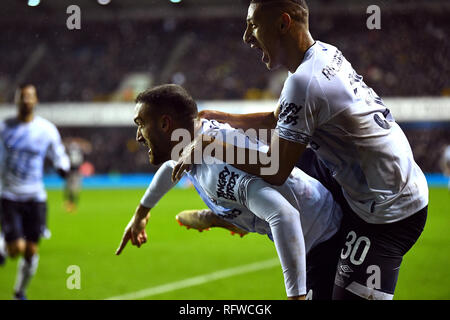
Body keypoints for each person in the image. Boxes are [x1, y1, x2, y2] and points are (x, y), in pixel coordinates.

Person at [172, 0, 429, 300]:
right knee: (290, 153)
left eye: (253, 25)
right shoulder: (322, 54)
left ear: (283, 23)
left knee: (276, 165)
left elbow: (276, 170)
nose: (246, 37)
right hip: (386, 178)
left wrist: (210, 145)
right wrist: (226, 118)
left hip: (388, 213)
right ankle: (235, 214)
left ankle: (232, 214)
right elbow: (275, 119)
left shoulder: (303, 83)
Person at [116, 84, 344, 300]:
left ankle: (226, 216)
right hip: (316, 196)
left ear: (165, 124)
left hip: (326, 240)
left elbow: (284, 215)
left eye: (140, 123)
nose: (138, 135)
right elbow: (170, 169)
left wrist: (296, 296)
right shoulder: (195, 139)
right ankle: (228, 216)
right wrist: (140, 214)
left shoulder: (215, 168)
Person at [0, 84, 70, 300]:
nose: (27, 101)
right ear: (17, 101)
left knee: (31, 251)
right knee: (16, 250)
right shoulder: (4, 128)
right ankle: (3, 244)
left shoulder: (46, 130)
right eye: (23, 97)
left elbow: (59, 153)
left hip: (35, 196)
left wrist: (63, 166)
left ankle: (19, 292)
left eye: (30, 96)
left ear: (36, 100)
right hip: (10, 194)